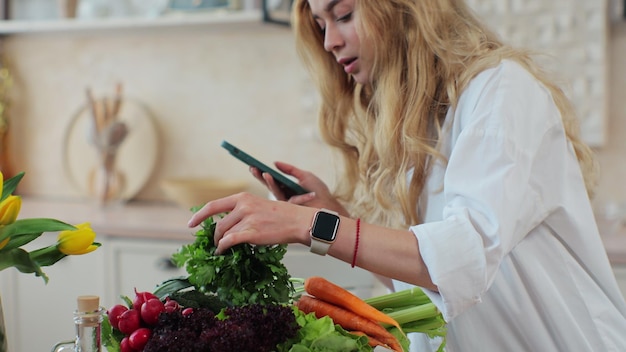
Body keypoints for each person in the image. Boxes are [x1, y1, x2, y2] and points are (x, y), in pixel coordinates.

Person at [188, 0, 626, 350]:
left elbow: (460, 262)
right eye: (321, 25)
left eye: (342, 15)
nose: (330, 42)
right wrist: (330, 213)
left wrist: (312, 227)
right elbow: (431, 283)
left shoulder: (501, 91)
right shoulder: (421, 125)